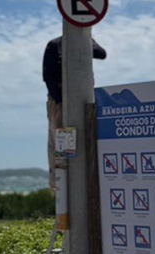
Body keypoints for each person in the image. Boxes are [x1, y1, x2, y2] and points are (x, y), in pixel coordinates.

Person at [42, 36, 107, 189]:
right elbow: (48, 76)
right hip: (61, 101)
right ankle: (61, 183)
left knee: (81, 139)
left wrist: (79, 44)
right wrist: (59, 101)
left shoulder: (83, 40)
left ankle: (76, 182)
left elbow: (101, 54)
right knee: (60, 146)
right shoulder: (55, 44)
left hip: (79, 99)